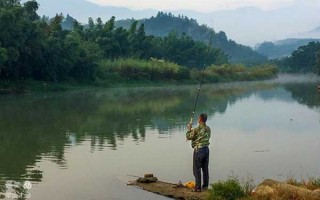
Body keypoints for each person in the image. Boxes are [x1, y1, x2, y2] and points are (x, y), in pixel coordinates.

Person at [186, 113, 211, 192]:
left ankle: (197, 188)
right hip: (206, 150)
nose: (198, 119)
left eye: (198, 118)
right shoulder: (208, 128)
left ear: (200, 119)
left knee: (196, 170)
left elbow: (188, 137)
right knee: (205, 169)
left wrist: (189, 129)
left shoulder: (196, 129)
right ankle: (205, 187)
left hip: (199, 151)